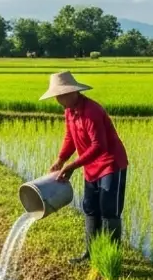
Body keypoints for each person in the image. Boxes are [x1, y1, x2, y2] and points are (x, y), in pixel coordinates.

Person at [42, 71, 129, 264]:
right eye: (57, 96)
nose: (59, 99)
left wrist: (73, 165)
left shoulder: (92, 111)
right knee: (90, 208)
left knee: (109, 210)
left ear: (73, 92)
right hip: (90, 166)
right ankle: (90, 253)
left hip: (111, 164)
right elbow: (70, 137)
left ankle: (111, 257)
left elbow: (100, 146)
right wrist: (61, 159)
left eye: (62, 95)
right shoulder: (69, 111)